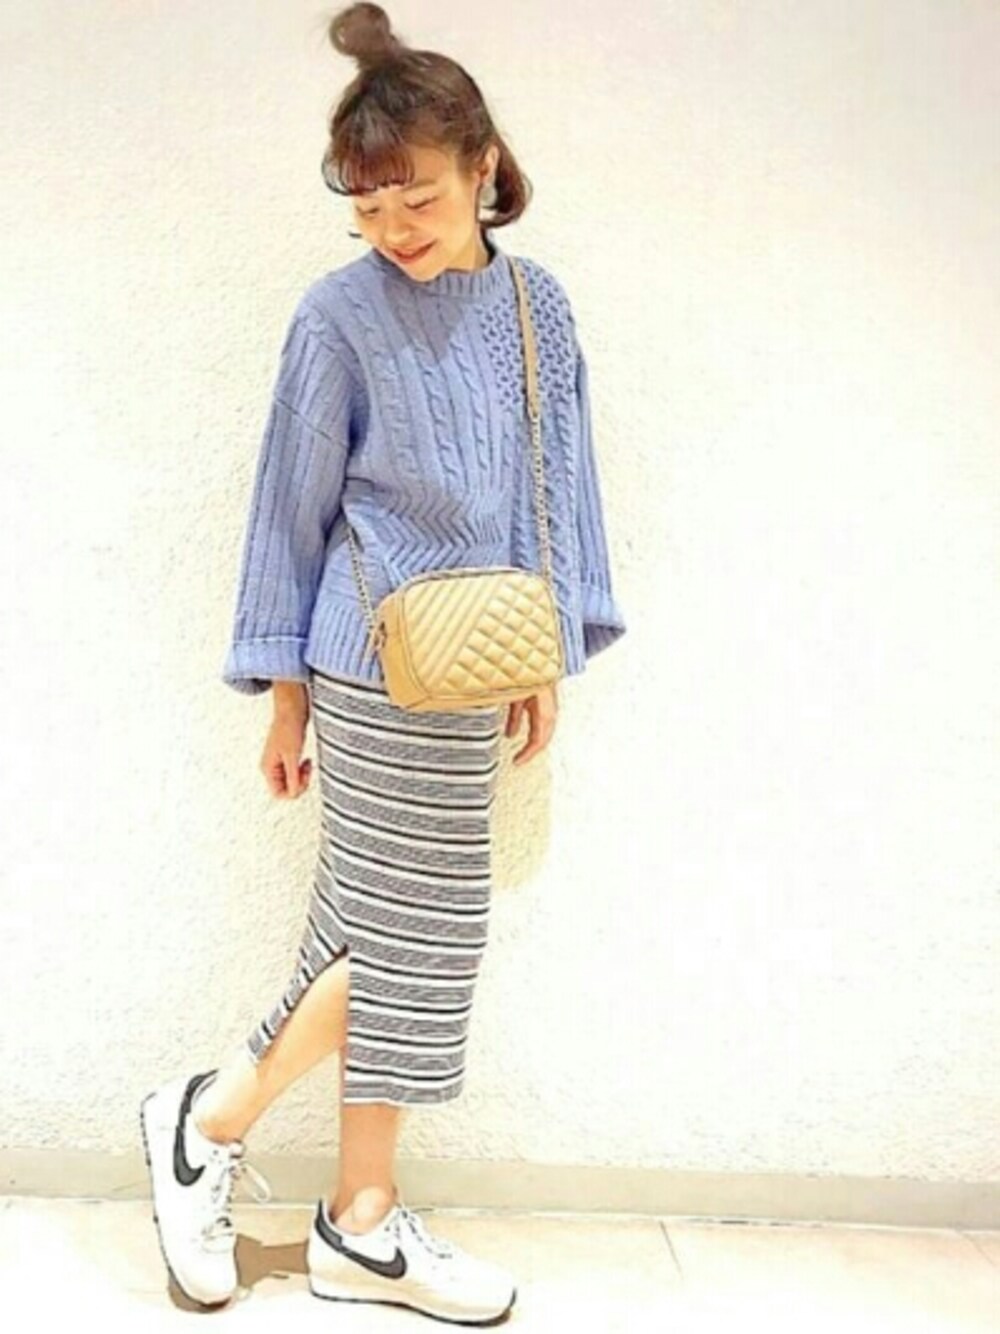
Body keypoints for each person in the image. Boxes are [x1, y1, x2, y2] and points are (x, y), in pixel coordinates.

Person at [139, 2, 626, 1324]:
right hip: (365, 660)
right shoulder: (335, 317)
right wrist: (283, 694)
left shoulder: (536, 305)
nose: (395, 227)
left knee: (375, 928)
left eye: (418, 196)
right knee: (423, 931)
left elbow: (555, 487)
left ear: (483, 166)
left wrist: (546, 652)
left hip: (477, 662)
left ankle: (359, 1218)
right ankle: (208, 1118)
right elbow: (287, 509)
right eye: (367, 207)